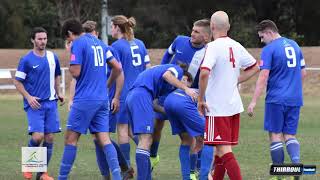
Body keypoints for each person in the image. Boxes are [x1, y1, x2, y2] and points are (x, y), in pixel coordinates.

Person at [197, 11, 259, 180]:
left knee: (224, 150)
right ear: (229, 27)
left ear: (212, 27)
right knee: (219, 150)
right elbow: (255, 67)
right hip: (232, 107)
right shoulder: (236, 45)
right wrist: (235, 80)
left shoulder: (213, 46)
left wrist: (201, 99)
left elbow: (204, 73)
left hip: (218, 108)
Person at [58, 19, 122, 180]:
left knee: (71, 139)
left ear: (70, 34)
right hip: (102, 99)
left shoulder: (78, 43)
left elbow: (75, 72)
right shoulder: (99, 43)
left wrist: (70, 52)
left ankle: (62, 177)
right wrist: (107, 85)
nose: (70, 41)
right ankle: (117, 177)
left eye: (68, 38)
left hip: (85, 100)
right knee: (105, 139)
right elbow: (118, 67)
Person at [152, 19, 214, 180]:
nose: (192, 34)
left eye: (196, 32)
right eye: (192, 30)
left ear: (206, 37)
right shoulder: (179, 40)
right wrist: (162, 73)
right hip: (167, 91)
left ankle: (196, 170)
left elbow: (205, 77)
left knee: (193, 136)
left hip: (188, 96)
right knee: (157, 125)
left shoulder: (208, 52)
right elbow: (167, 56)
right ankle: (153, 156)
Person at [247, 20, 306, 179]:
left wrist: (253, 101)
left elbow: (263, 76)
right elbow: (303, 73)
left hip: (276, 99)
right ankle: (296, 165)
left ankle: (279, 175)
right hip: (295, 98)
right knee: (290, 135)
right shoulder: (295, 45)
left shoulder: (269, 49)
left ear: (269, 32)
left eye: (261, 37)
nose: (261, 40)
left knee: (275, 135)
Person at [126, 64, 198, 180]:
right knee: (146, 140)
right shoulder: (177, 69)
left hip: (134, 96)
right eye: (186, 84)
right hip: (141, 95)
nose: (181, 90)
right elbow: (167, 75)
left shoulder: (164, 86)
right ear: (184, 78)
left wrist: (172, 113)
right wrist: (186, 89)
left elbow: (155, 105)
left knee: (144, 141)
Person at [14, 27, 63, 180]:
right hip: (35, 104)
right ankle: (29, 166)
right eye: (40, 39)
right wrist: (28, 97)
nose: (43, 41)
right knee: (38, 136)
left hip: (51, 104)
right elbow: (17, 81)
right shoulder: (26, 60)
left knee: (49, 138)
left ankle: (42, 174)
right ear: (33, 40)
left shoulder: (52, 57)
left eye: (45, 38)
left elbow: (57, 76)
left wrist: (59, 92)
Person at [110, 15, 151, 169]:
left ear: (117, 27)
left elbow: (116, 71)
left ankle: (126, 167)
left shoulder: (116, 46)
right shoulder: (140, 44)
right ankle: (149, 155)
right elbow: (148, 67)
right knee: (132, 130)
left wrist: (115, 95)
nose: (110, 29)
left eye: (112, 26)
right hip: (141, 92)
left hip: (125, 92)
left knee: (122, 128)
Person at [164, 72, 205, 180]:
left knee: (187, 140)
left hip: (169, 101)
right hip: (183, 104)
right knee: (209, 138)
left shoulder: (186, 90)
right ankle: (203, 173)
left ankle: (187, 177)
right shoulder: (208, 94)